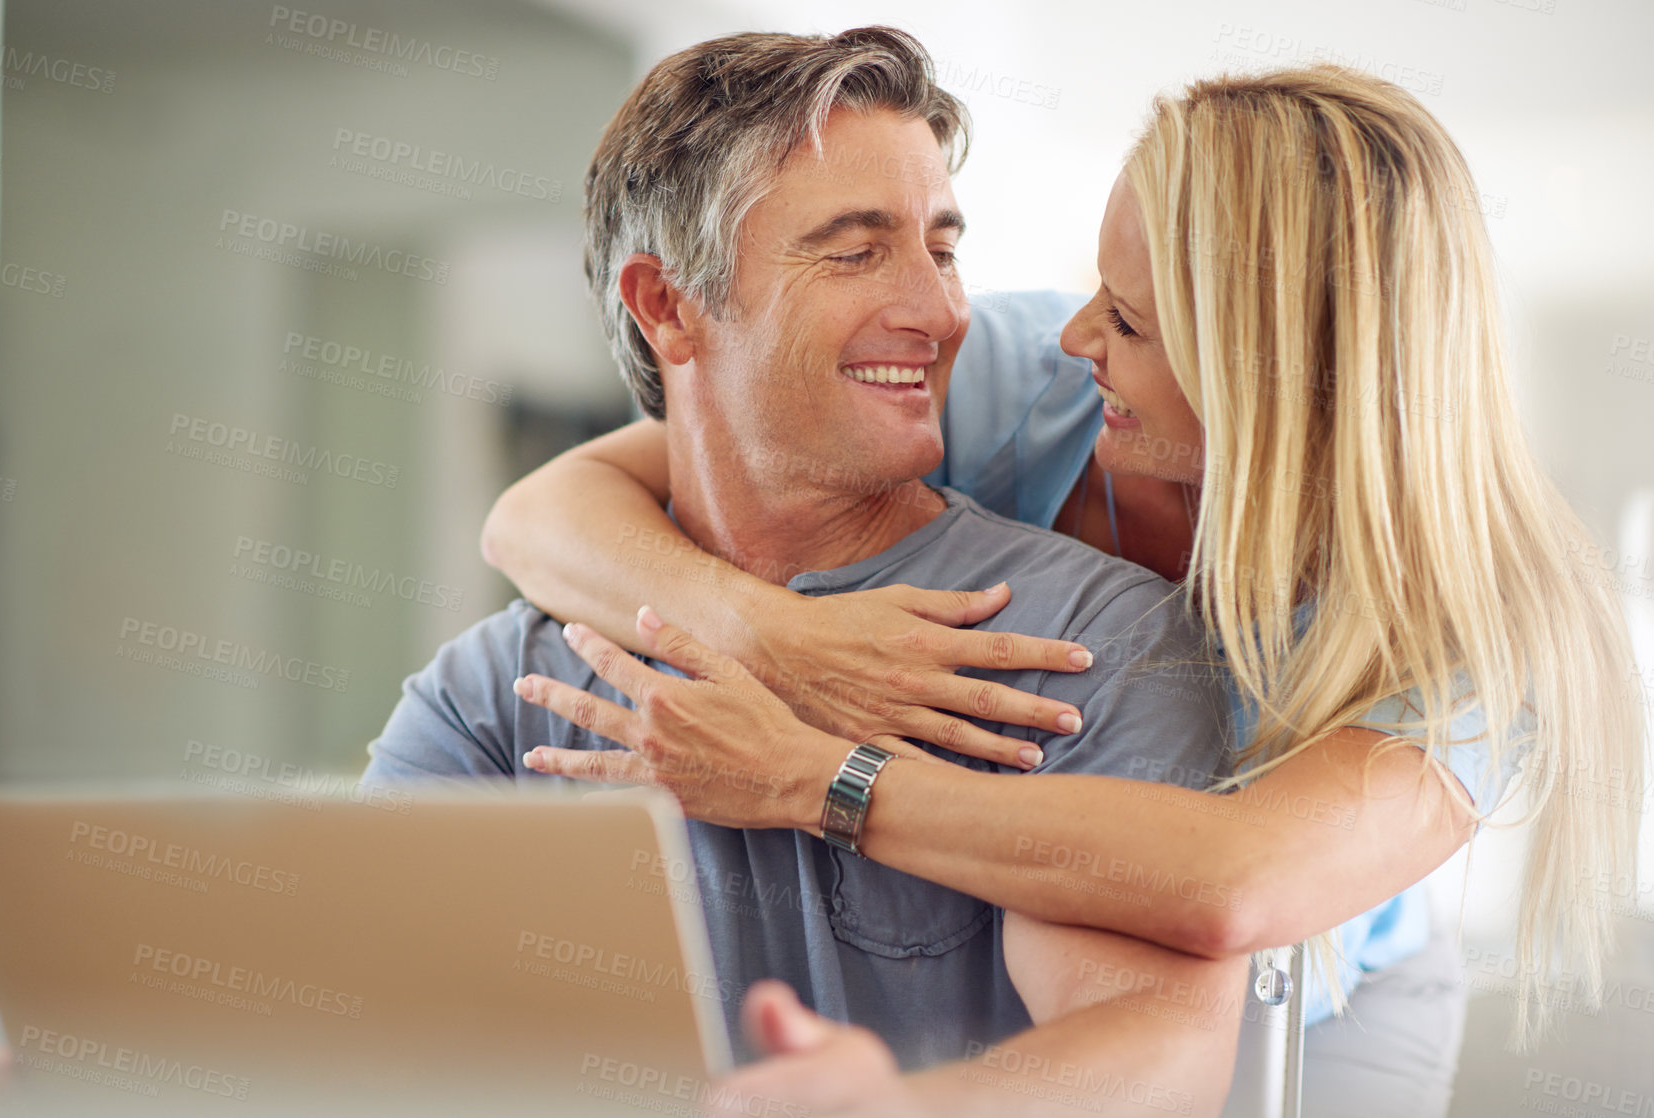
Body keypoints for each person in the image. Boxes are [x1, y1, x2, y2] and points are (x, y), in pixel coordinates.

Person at [493, 57, 1647, 1118]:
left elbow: (1228, 883)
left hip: (1333, 990)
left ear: (1279, 375)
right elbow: (542, 515)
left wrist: (811, 777)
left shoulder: (1478, 635)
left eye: (1133, 320)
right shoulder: (1026, 377)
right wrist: (774, 637)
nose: (1080, 331)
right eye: (1099, 287)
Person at [364, 27, 1252, 1116]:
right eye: (854, 249)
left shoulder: (1089, 644)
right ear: (666, 306)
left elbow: (1157, 1049)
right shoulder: (496, 700)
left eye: (941, 245)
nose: (939, 310)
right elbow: (350, 1046)